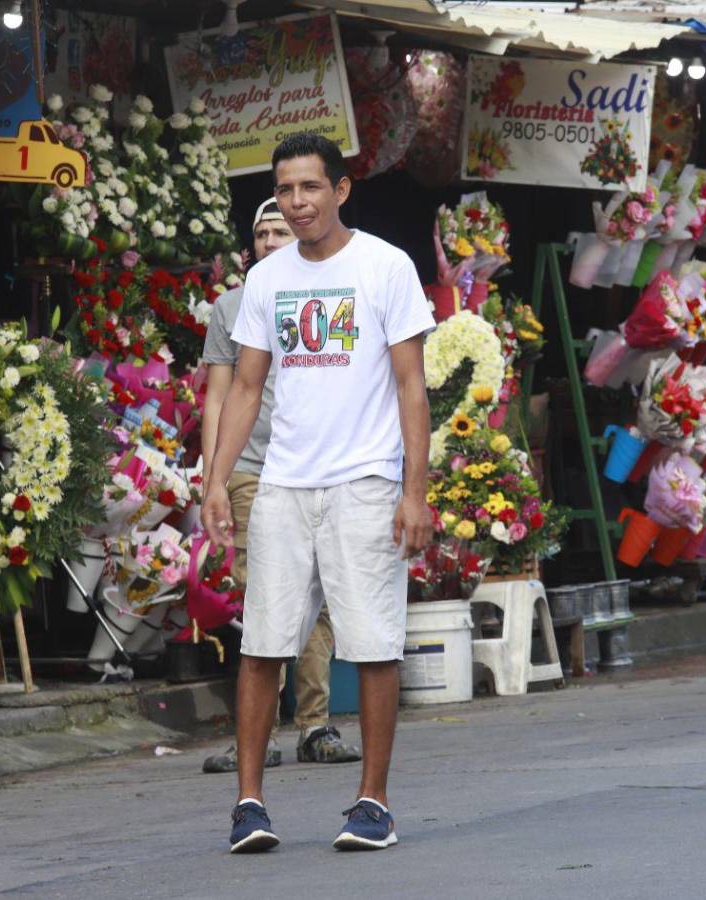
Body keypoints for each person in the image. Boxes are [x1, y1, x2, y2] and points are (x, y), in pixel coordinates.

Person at [202, 132, 434, 854]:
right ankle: (248, 804)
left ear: (341, 189)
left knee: (371, 644)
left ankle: (373, 802)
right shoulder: (267, 280)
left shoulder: (385, 266)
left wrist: (414, 492)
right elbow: (244, 386)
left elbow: (410, 385)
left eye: (310, 188)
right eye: (285, 190)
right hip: (282, 485)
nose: (298, 203)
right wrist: (214, 478)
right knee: (263, 642)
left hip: (365, 481)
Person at [199, 197, 362, 774]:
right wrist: (211, 474)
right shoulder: (231, 307)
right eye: (261, 233)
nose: (270, 241)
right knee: (261, 594)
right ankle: (259, 732)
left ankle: (314, 726)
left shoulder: (321, 296)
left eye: (278, 231)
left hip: (312, 467)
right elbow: (220, 395)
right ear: (250, 248)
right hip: (249, 467)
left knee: (318, 596)